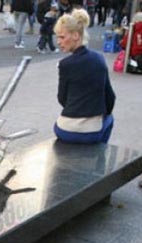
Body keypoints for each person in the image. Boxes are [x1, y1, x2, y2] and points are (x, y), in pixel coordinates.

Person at [53, 9, 115, 144]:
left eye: (62, 37)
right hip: (92, 132)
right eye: (57, 37)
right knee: (110, 120)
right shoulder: (99, 59)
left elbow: (62, 99)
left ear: (76, 35)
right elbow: (110, 97)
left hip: (65, 130)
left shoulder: (65, 64)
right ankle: (99, 154)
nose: (58, 41)